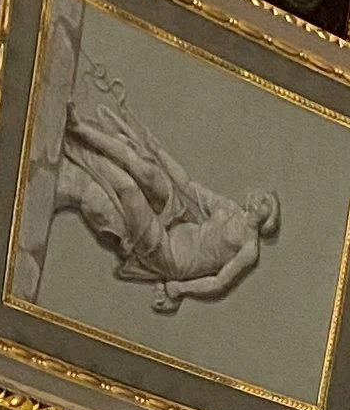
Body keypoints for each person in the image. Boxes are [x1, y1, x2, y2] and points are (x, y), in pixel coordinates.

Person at [53, 101, 280, 310]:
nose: (261, 200)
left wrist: (180, 288)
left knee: (130, 190)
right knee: (146, 171)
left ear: (267, 219)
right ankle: (79, 128)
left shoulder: (249, 248)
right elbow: (188, 185)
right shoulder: (229, 207)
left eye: (267, 204)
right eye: (263, 197)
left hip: (169, 255)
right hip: (179, 220)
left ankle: (82, 155)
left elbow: (219, 282)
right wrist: (159, 152)